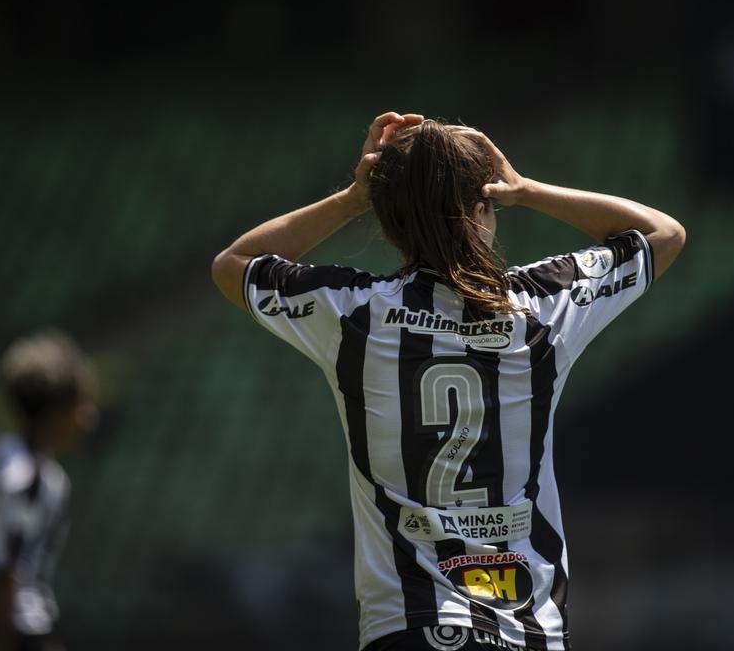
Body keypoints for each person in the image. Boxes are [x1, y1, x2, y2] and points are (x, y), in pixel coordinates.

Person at [212, 113, 684, 651]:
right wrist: (527, 191)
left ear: (387, 218)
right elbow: (661, 233)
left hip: (409, 628)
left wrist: (350, 197)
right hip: (528, 633)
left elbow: (236, 263)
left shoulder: (353, 315)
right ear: (485, 208)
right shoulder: (541, 309)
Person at [0, 329, 99, 651]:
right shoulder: (28, 477)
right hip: (3, 629)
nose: (90, 418)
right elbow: (0, 568)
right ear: (57, 411)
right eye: (83, 405)